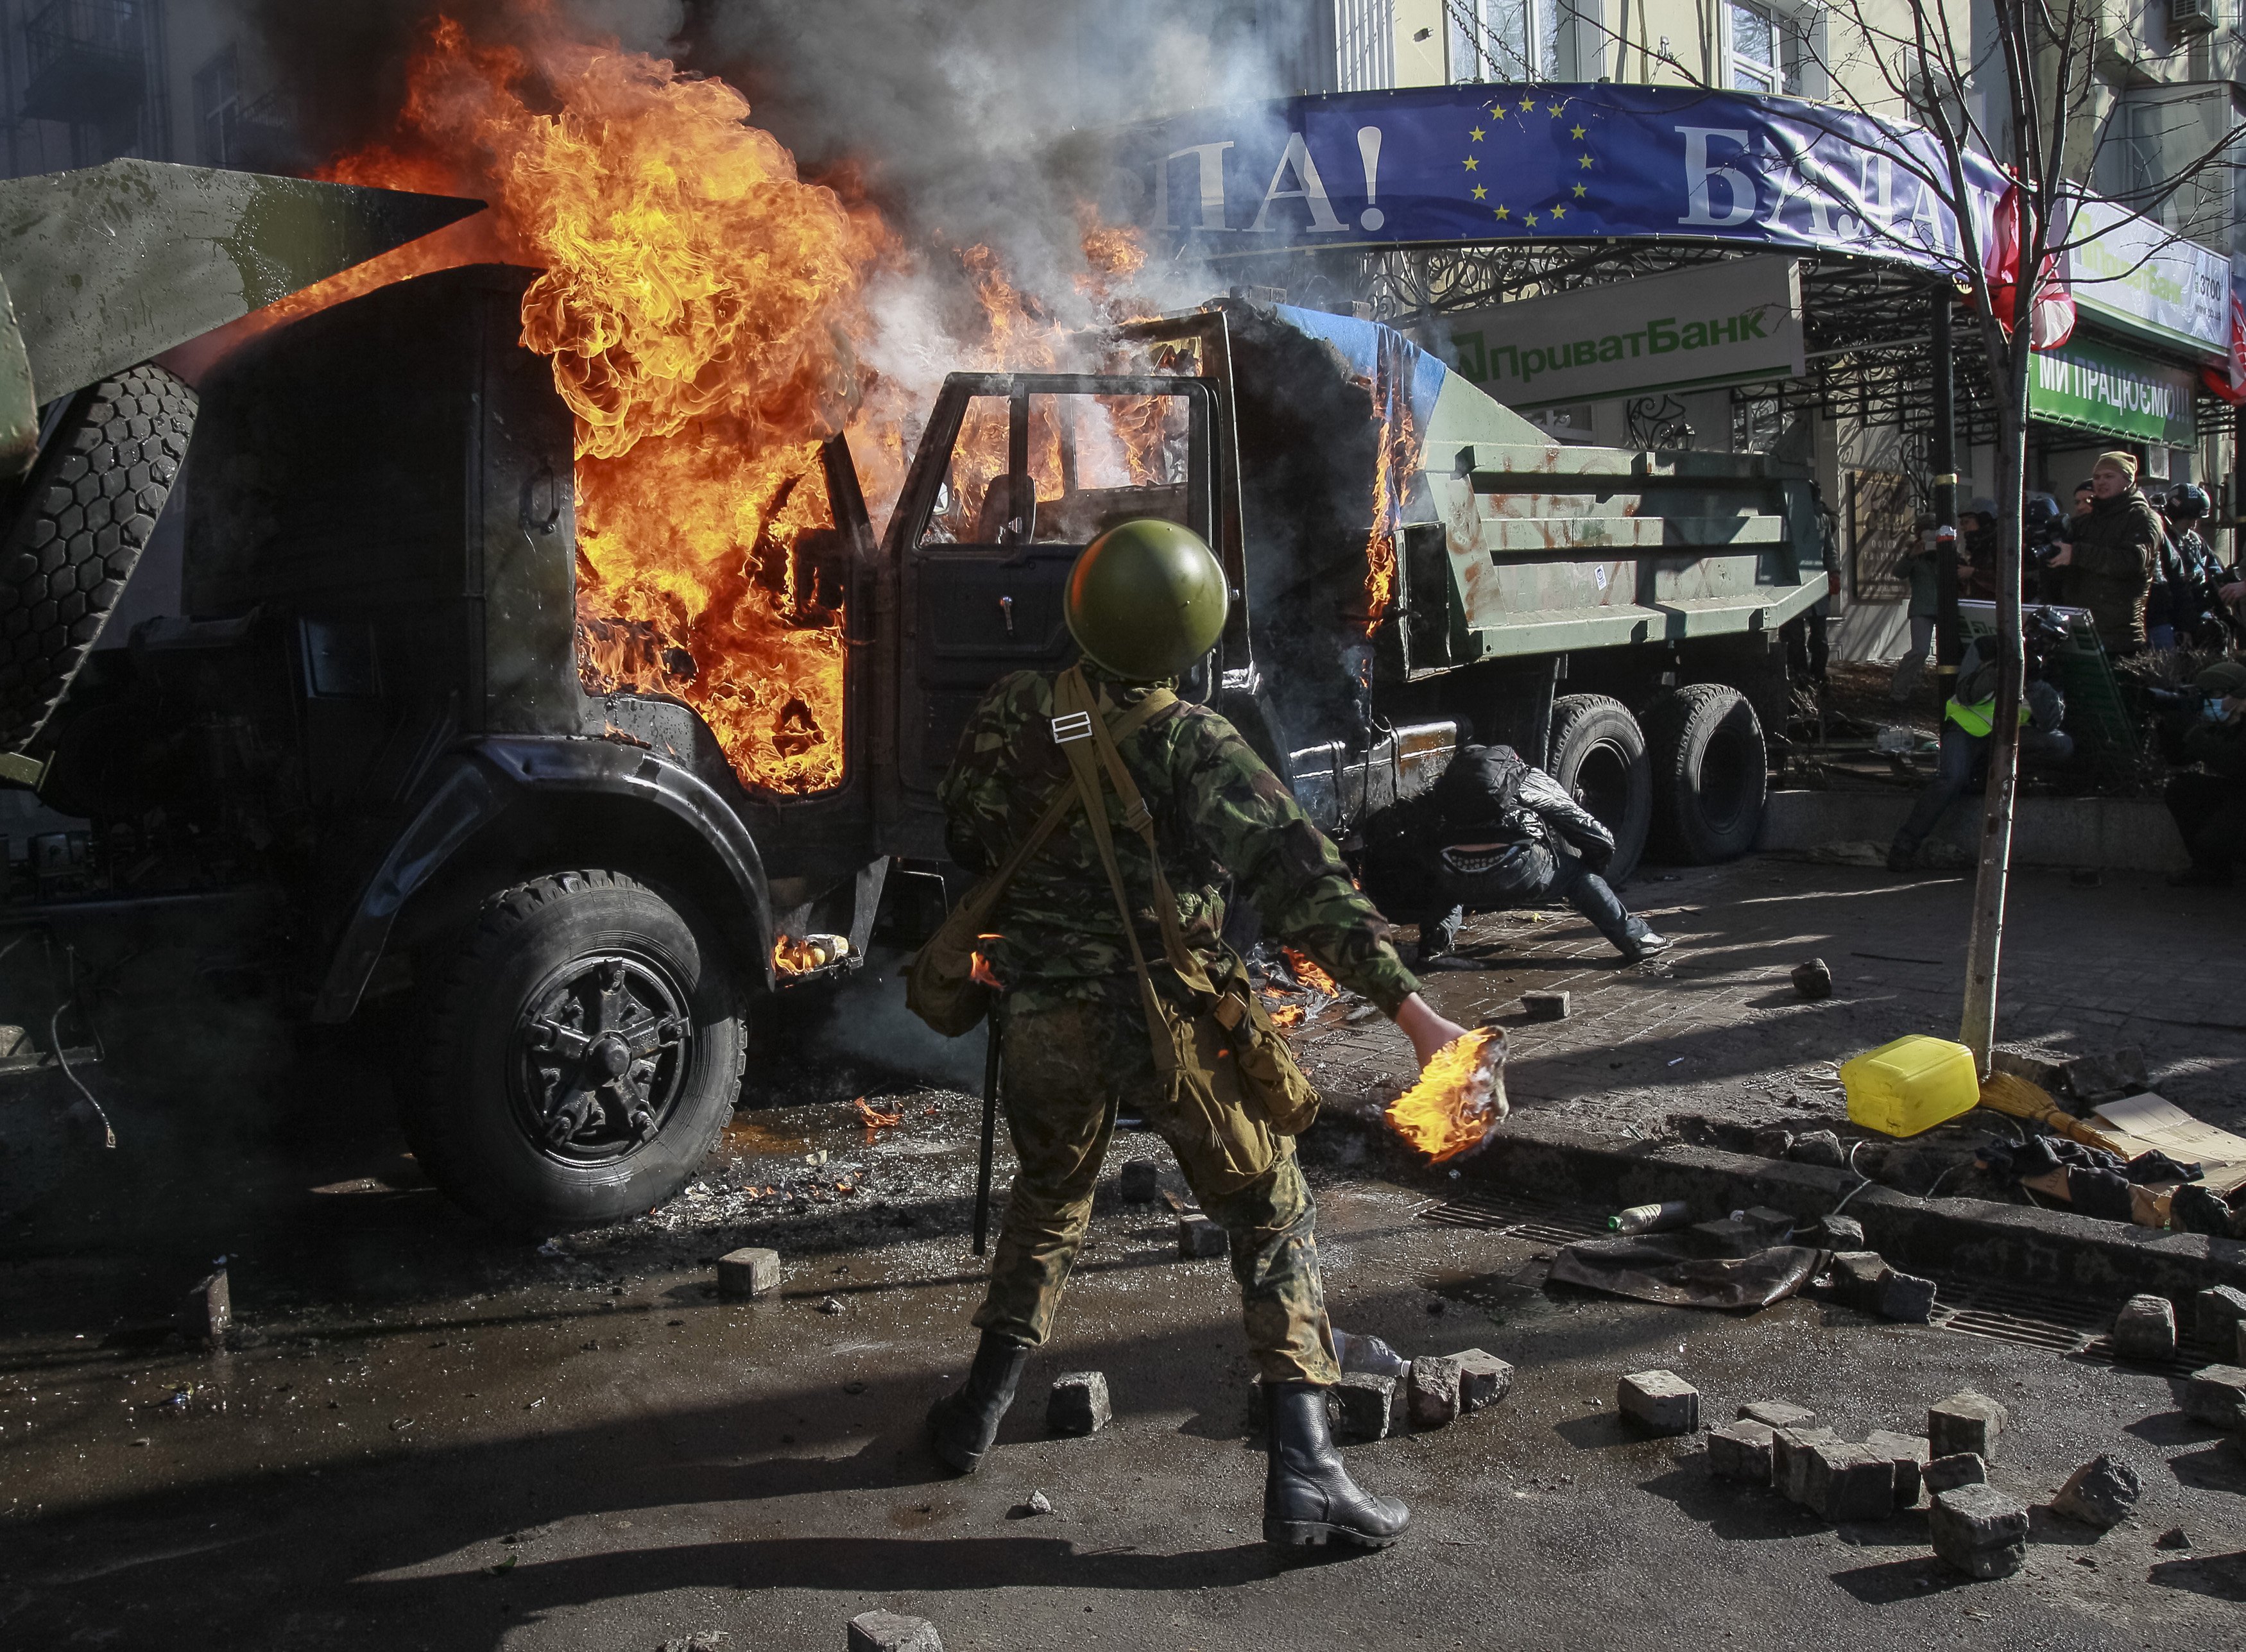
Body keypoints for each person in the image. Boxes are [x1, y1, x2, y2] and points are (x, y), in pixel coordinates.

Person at [928, 518, 1463, 1550]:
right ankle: (1307, 1475)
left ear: (1081, 606)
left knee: (1048, 1200)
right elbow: (1302, 886)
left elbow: (962, 828)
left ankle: (973, 1414)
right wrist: (1414, 1009)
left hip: (1041, 1016)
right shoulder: (1194, 742)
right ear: (1193, 637)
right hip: (1173, 1024)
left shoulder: (1008, 711)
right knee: (1272, 1212)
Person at [1373, 738, 1672, 966]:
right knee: (1579, 879)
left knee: (1447, 882)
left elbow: (1400, 825)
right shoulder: (1528, 778)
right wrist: (1592, 867)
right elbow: (1593, 833)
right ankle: (1637, 939)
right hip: (1520, 871)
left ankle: (1434, 945)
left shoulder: (1446, 789)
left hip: (1456, 871)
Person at [1887, 608, 2076, 871]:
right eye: (2035, 634)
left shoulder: (2050, 669)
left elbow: (2050, 722)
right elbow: (1967, 695)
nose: (2038, 642)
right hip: (1967, 728)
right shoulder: (1988, 646)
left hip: (2009, 736)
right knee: (1951, 779)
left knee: (2062, 745)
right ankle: (1904, 846)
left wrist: (2034, 681)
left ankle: (1989, 774)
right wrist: (2004, 666)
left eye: (2048, 640)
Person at [2048, 452, 2159, 655]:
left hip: (2120, 636)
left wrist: (2077, 554)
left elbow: (2132, 561)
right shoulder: (2086, 522)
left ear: (2128, 480)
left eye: (2109, 476)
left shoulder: (2143, 518)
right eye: (2097, 477)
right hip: (2079, 628)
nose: (2101, 482)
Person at [2164, 660, 2246, 887]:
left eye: (2218, 694)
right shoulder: (2231, 720)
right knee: (2182, 789)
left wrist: (2193, 733)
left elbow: (2235, 762)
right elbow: (2178, 759)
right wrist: (2172, 727)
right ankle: (2210, 870)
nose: (2212, 701)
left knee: (2216, 838)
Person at [1889, 515, 1942, 705]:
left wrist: (1945, 552)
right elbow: (1898, 573)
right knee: (1920, 651)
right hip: (1922, 607)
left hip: (1945, 608)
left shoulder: (1946, 550)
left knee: (1950, 655)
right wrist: (1913, 555)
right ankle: (1899, 692)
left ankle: (1945, 693)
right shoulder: (1913, 553)